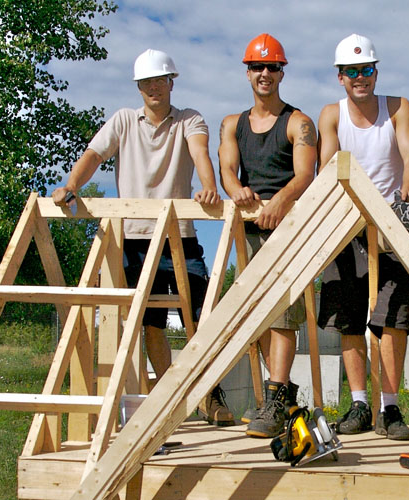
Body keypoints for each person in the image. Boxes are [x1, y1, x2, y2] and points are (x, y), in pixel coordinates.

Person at [52, 48, 235, 426]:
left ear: (171, 82)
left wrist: (208, 187)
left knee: (200, 317)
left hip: (179, 235)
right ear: (139, 88)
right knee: (150, 323)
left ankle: (208, 394)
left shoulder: (189, 119)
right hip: (134, 237)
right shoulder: (123, 121)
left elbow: (201, 153)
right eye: (147, 82)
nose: (154, 87)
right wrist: (70, 185)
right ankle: (173, 397)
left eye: (160, 80)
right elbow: (94, 155)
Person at [317, 34, 409, 441]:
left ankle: (390, 409)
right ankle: (360, 403)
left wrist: (405, 194)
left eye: (367, 70)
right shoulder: (332, 114)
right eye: (352, 72)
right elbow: (327, 168)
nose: (360, 78)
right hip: (346, 226)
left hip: (391, 223)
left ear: (375, 71)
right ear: (340, 77)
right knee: (349, 319)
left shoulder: (396, 108)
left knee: (392, 319)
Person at [218, 33, 317, 438]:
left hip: (287, 230)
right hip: (249, 232)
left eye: (272, 67)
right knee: (249, 318)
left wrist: (281, 201)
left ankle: (275, 398)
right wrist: (234, 189)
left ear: (281, 72)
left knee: (281, 316)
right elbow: (227, 170)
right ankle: (285, 396)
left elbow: (306, 174)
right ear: (247, 72)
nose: (264, 74)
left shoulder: (298, 123)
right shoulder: (232, 124)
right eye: (257, 67)